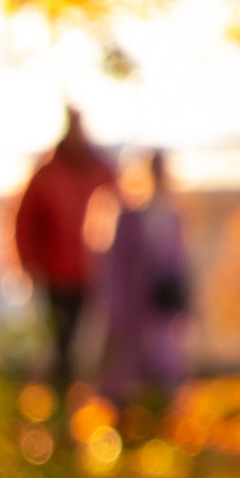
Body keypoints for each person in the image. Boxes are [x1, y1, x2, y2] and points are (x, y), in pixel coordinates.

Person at [13, 110, 118, 398]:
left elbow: (122, 220)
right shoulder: (46, 177)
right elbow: (25, 224)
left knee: (94, 346)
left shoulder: (101, 172)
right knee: (60, 345)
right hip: (55, 276)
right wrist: (29, 264)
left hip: (95, 276)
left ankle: (87, 401)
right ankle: (59, 400)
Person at [97, 151, 193, 403]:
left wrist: (182, 303)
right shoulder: (129, 218)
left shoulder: (172, 217)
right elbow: (116, 268)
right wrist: (115, 308)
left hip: (161, 308)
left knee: (163, 364)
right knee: (127, 367)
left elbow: (179, 265)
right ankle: (124, 417)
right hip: (132, 308)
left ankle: (161, 416)